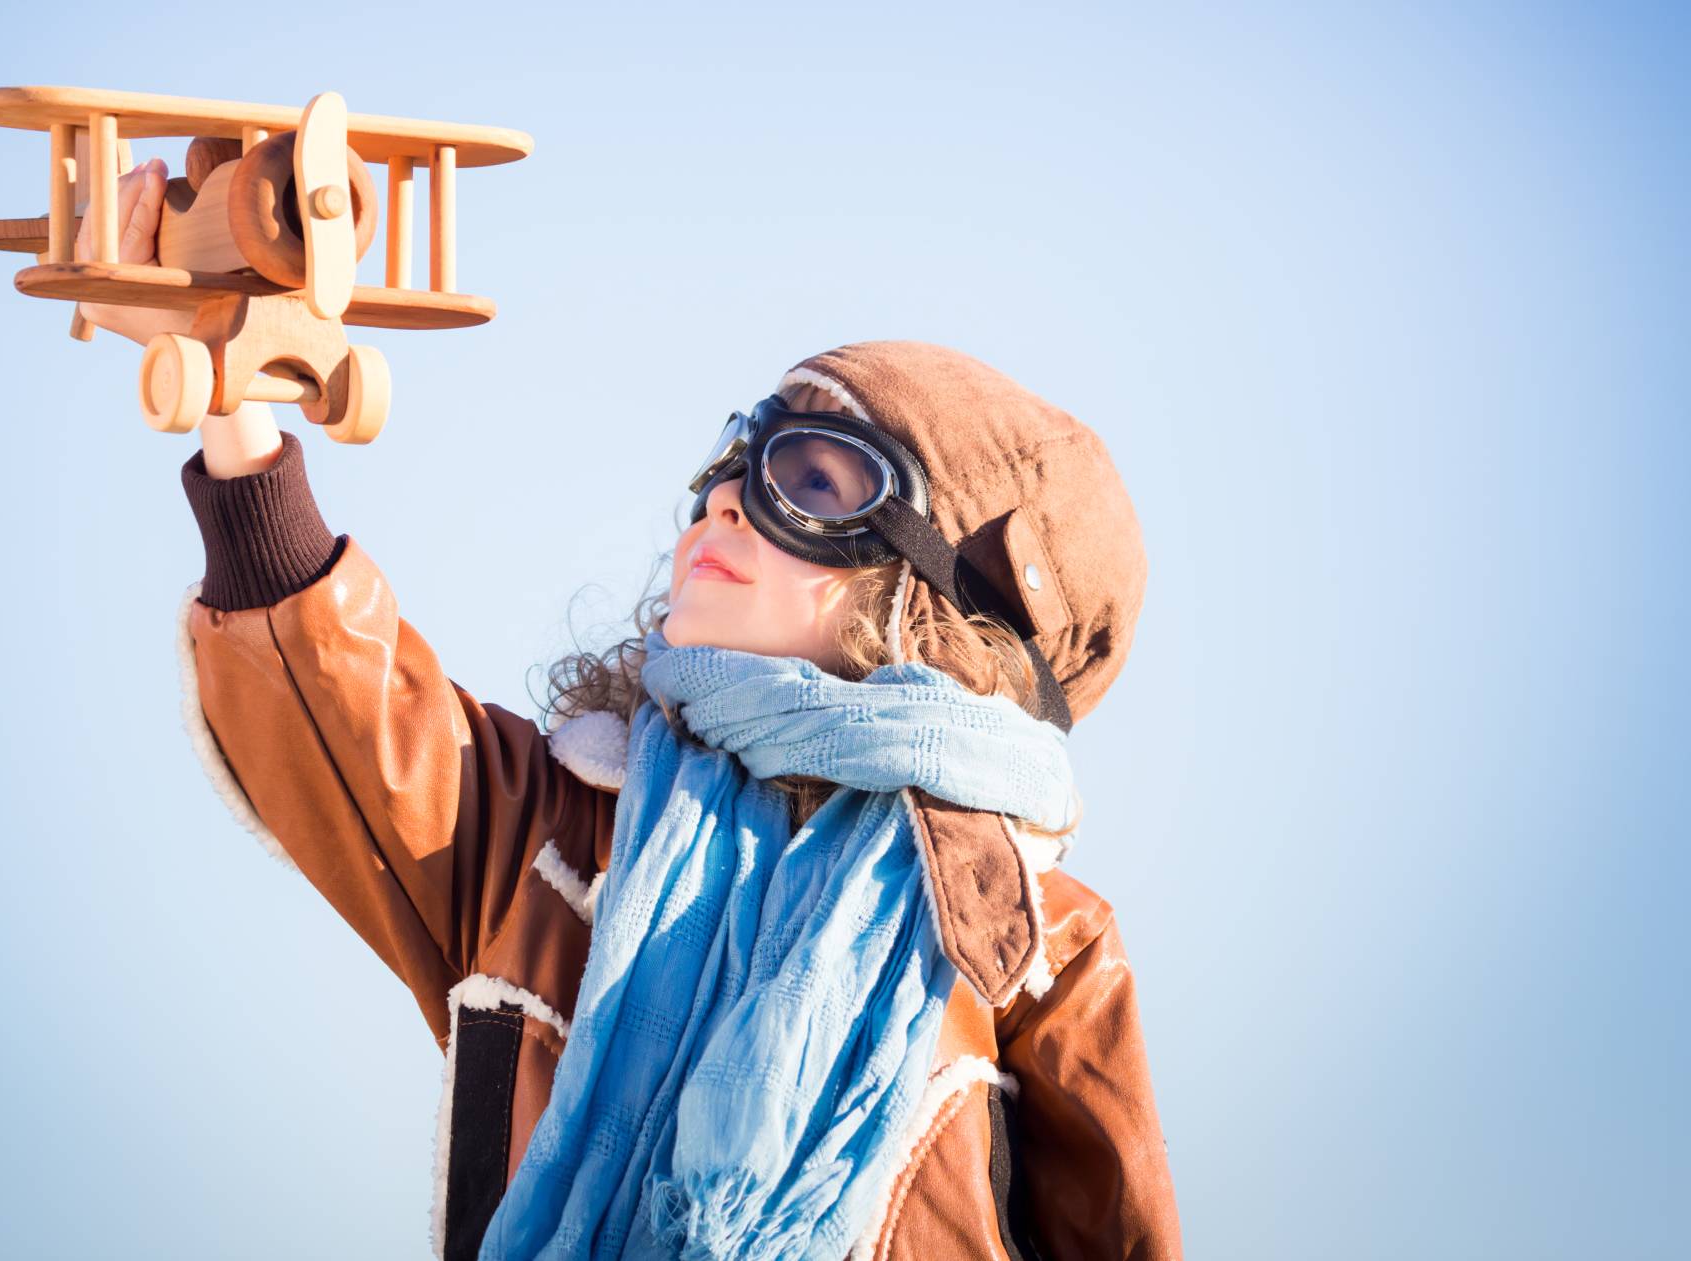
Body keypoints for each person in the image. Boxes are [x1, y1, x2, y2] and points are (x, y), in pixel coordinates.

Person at [83, 158, 1183, 1260]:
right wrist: (238, 401)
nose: (723, 497)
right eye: (732, 458)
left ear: (937, 605)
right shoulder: (552, 835)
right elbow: (338, 707)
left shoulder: (1032, 938)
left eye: (808, 477)